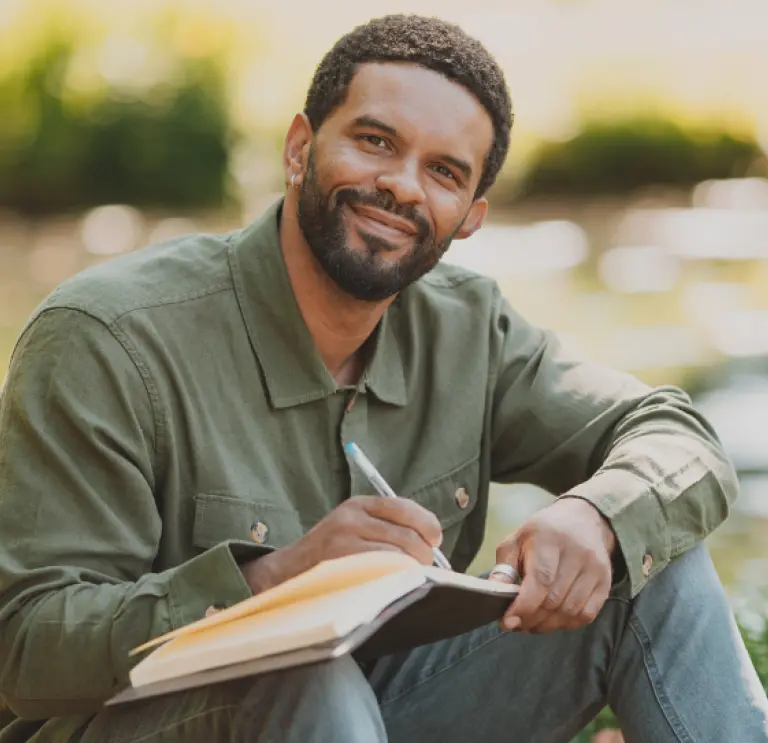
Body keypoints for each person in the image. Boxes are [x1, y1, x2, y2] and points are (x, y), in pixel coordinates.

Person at [0, 13, 766, 743]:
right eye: (375, 141)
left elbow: (677, 433)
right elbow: (23, 644)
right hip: (142, 722)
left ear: (470, 215)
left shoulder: (473, 328)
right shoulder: (105, 337)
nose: (402, 185)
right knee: (297, 666)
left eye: (442, 171)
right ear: (299, 147)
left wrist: (596, 517)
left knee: (647, 565)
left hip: (379, 712)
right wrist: (273, 581)